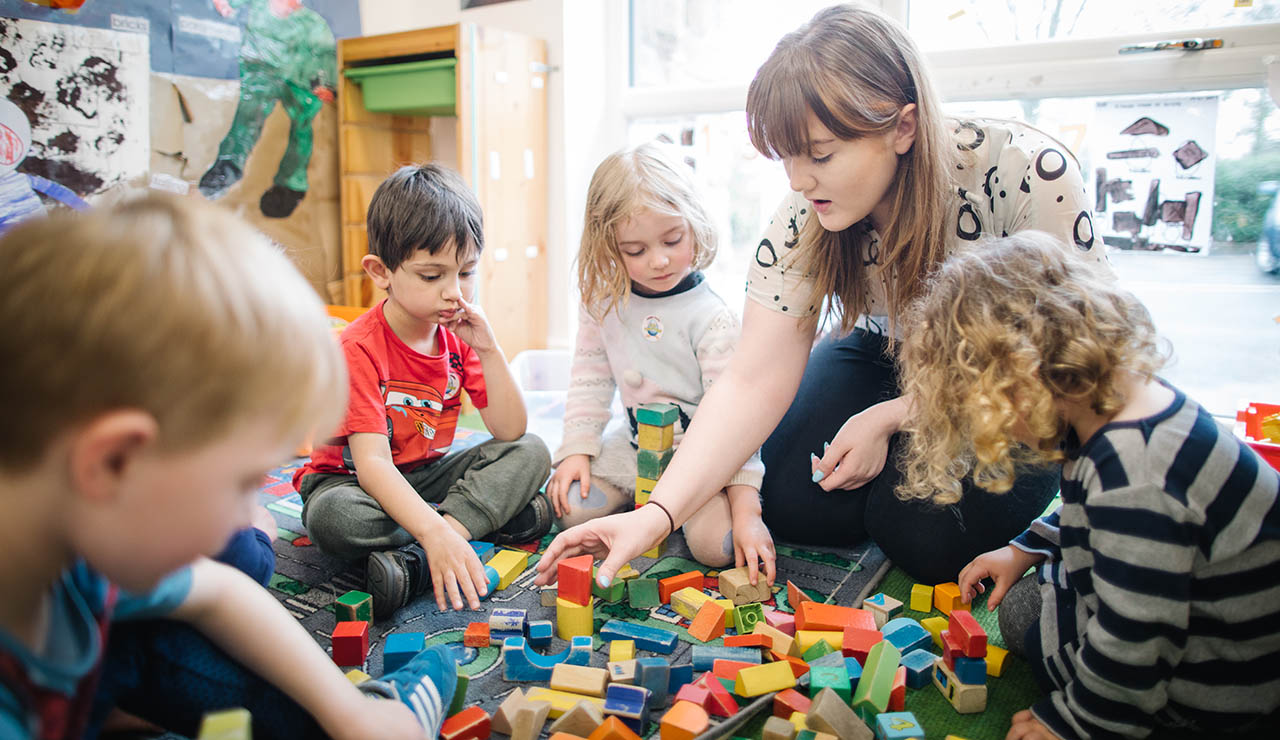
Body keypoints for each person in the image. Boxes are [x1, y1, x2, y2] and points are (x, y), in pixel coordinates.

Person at [535, 2, 1105, 589]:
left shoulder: (1027, 172)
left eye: (820, 154)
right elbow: (751, 379)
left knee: (923, 535)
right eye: (787, 158)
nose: (798, 181)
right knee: (786, 496)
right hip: (885, 349)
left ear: (902, 127)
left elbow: (1077, 366)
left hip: (1008, 377)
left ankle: (906, 472)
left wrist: (890, 419)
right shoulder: (804, 214)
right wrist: (656, 516)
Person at [0, 195, 459, 739]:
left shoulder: (77, 550)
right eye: (245, 483)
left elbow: (218, 590)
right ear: (113, 461)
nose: (255, 511)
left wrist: (352, 714)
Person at [899, 234, 1280, 740]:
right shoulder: (1120, 401)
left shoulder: (1136, 476)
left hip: (1219, 680)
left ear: (1020, 383)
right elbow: (1088, 512)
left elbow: (1137, 641)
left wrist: (1072, 724)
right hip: (1196, 608)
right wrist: (1024, 549)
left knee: (1029, 621)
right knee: (1024, 605)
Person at [295, 163, 552, 617]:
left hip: (424, 475)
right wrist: (437, 533)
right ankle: (465, 525)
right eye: (432, 277)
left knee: (533, 451)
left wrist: (490, 350)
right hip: (353, 482)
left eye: (467, 272)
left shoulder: (457, 331)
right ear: (381, 272)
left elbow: (511, 429)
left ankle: (419, 553)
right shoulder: (357, 347)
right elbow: (372, 466)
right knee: (332, 520)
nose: (454, 293)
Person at [547, 142, 774, 581]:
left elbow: (738, 420)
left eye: (673, 239)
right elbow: (589, 378)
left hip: (699, 458)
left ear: (694, 225)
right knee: (570, 511)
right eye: (635, 250)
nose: (660, 260)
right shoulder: (603, 301)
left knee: (715, 548)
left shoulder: (712, 316)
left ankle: (675, 516)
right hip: (632, 449)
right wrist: (577, 449)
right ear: (608, 245)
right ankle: (644, 515)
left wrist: (747, 508)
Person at [200, 0, 338, 219]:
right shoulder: (260, 7)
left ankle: (291, 185)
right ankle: (228, 168)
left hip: (299, 81)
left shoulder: (313, 23)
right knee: (246, 118)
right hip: (261, 75)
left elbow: (326, 54)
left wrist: (327, 85)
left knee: (303, 126)